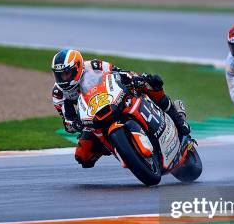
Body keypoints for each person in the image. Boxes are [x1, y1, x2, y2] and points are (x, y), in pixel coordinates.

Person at [51, 48, 190, 168]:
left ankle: (178, 118)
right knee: (83, 157)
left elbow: (119, 72)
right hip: (92, 117)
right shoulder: (58, 93)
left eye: (66, 73)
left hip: (112, 98)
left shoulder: (94, 66)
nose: (62, 79)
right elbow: (67, 121)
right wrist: (75, 124)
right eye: (59, 75)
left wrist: (135, 78)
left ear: (77, 67)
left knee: (152, 83)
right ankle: (118, 146)